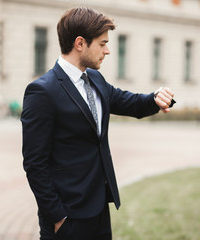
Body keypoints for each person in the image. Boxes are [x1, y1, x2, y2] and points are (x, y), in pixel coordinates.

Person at [21, 7, 175, 240]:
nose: (108, 50)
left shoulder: (94, 78)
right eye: (102, 43)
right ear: (80, 43)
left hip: (100, 209)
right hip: (67, 218)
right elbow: (35, 164)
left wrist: (155, 97)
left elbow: (130, 102)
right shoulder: (42, 91)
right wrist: (57, 216)